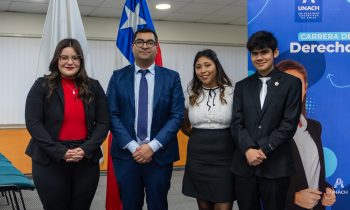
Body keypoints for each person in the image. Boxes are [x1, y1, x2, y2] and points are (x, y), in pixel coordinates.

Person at [25, 38, 109, 210]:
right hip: (49, 159)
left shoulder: (94, 86)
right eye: (64, 57)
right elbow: (33, 123)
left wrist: (86, 149)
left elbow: (103, 122)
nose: (69, 62)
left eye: (75, 58)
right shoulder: (41, 86)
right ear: (57, 59)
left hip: (85, 158)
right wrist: (60, 152)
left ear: (81, 61)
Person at [107, 28, 185, 210]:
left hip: (160, 156)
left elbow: (176, 115)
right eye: (140, 42)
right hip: (127, 156)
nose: (145, 46)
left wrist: (152, 147)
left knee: (158, 205)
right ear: (132, 47)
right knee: (130, 205)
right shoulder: (118, 77)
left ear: (156, 48)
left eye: (150, 42)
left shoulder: (172, 77)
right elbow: (112, 114)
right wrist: (135, 148)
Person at [230, 31, 302, 210]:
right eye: (255, 53)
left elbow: (289, 124)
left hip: (275, 165)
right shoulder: (242, 86)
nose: (259, 57)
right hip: (245, 165)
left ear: (275, 53)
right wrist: (248, 149)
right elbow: (236, 123)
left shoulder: (292, 83)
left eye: (264, 52)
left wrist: (262, 150)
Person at [276, 59, 336, 210]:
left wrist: (326, 191)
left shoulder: (315, 127)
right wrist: (293, 197)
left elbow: (313, 172)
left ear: (305, 88)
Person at [181, 49, 235, 210]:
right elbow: (184, 124)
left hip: (225, 156)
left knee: (223, 203)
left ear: (216, 66)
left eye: (207, 65)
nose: (203, 70)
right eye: (198, 67)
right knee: (204, 205)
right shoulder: (191, 94)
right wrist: (199, 136)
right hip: (198, 156)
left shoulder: (232, 92)